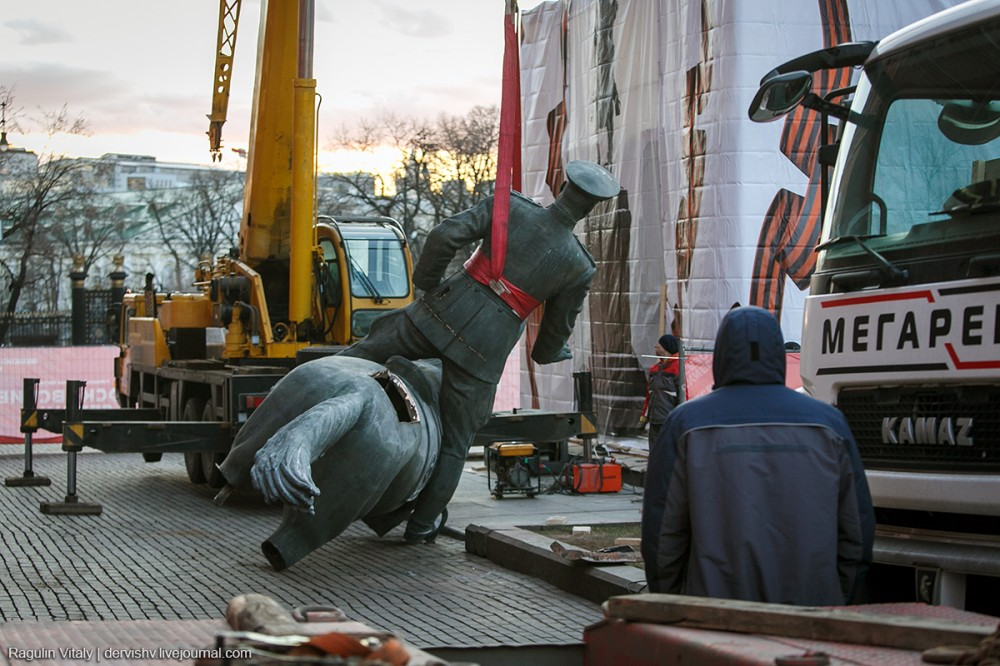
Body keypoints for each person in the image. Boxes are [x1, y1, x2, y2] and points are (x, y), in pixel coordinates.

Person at [340, 160, 621, 544]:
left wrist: (428, 283)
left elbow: (444, 235)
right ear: (592, 208)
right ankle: (421, 526)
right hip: (483, 353)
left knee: (358, 356)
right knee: (456, 445)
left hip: (438, 313)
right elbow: (554, 333)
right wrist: (553, 352)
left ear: (561, 186)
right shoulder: (579, 265)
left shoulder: (512, 208)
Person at [641, 306, 875, 605]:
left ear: (722, 354)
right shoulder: (829, 425)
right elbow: (856, 532)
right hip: (812, 615)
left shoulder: (686, 425)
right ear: (779, 352)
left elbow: (662, 535)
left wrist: (674, 604)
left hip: (715, 618)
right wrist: (838, 598)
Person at [217, 355, 444, 570]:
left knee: (307, 378)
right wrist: (421, 526)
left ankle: (234, 468)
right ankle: (288, 542)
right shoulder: (439, 415)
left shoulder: (365, 359)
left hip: (332, 369)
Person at [639, 334, 680, 447]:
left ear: (666, 348)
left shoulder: (679, 368)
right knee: (655, 453)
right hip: (655, 421)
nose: (656, 346)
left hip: (670, 422)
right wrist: (644, 418)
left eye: (659, 344)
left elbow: (684, 396)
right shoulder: (655, 369)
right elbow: (649, 395)